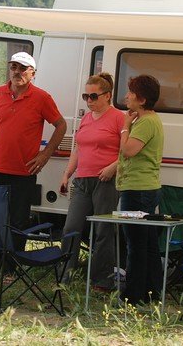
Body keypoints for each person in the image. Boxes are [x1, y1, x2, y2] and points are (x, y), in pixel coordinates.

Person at [0, 52, 67, 276]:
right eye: (13, 67)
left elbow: (61, 125)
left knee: (17, 222)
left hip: (23, 172)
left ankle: (11, 267)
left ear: (33, 73)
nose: (17, 72)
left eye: (23, 68)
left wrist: (45, 154)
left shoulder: (42, 97)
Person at [60, 72, 123, 291]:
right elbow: (78, 148)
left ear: (107, 95)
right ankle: (66, 272)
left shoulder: (119, 118)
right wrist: (67, 173)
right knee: (71, 226)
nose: (89, 101)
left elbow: (127, 151)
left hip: (105, 180)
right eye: (86, 96)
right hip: (83, 179)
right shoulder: (86, 118)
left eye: (93, 96)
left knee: (103, 229)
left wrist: (113, 167)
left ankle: (101, 278)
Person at [116, 74, 164, 305]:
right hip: (146, 188)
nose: (126, 97)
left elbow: (129, 151)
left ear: (142, 100)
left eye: (131, 93)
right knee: (148, 243)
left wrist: (125, 127)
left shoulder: (145, 122)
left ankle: (132, 296)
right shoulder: (151, 120)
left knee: (135, 243)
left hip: (137, 190)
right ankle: (152, 292)